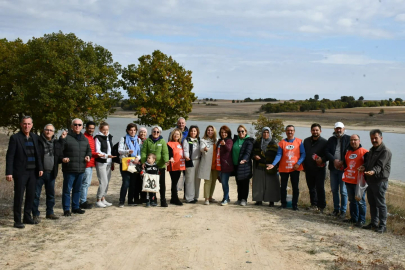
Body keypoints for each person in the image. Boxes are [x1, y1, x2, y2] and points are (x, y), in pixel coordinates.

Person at [6, 116, 44, 229]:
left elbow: (38, 155)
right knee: (19, 196)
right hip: (20, 173)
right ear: (21, 124)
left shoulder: (35, 137)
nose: (26, 126)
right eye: (24, 124)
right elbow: (10, 156)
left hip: (33, 172)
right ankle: (17, 221)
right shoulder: (15, 138)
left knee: (31, 196)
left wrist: (40, 168)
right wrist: (9, 172)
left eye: (28, 124)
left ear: (32, 125)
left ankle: (27, 217)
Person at [268, 125, 305, 211]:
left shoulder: (299, 142)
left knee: (295, 187)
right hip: (284, 169)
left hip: (295, 169)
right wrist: (273, 164)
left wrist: (298, 163)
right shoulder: (282, 143)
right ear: (286, 132)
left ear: (294, 131)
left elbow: (303, 154)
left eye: (291, 130)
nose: (290, 132)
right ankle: (283, 204)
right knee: (283, 187)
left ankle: (295, 205)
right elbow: (279, 155)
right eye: (288, 130)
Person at [361, 129, 392, 233]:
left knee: (380, 204)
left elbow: (379, 166)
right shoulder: (372, 150)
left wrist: (373, 172)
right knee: (372, 203)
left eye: (376, 138)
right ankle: (374, 223)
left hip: (379, 181)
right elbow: (368, 163)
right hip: (370, 180)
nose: (374, 140)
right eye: (372, 138)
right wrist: (363, 167)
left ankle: (383, 225)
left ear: (381, 138)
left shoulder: (385, 151)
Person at [60, 118, 92, 217]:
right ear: (71, 126)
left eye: (79, 125)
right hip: (69, 168)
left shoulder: (84, 138)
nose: (77, 126)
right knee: (67, 190)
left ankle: (75, 207)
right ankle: (66, 209)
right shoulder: (66, 137)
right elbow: (59, 150)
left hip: (81, 168)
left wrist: (88, 156)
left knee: (77, 189)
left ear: (82, 127)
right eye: (75, 124)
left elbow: (89, 151)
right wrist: (61, 139)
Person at [32, 124, 63, 222]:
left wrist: (63, 159)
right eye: (47, 130)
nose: (48, 132)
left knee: (50, 195)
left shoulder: (56, 143)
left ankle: (50, 213)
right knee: (36, 195)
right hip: (39, 173)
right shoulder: (38, 141)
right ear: (43, 131)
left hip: (51, 173)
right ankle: (35, 214)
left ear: (53, 132)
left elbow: (58, 157)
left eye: (51, 130)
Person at [342, 134, 369, 227]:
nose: (353, 142)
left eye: (355, 140)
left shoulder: (364, 152)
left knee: (360, 202)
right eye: (351, 140)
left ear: (359, 141)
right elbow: (345, 164)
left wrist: (364, 166)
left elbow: (368, 163)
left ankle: (361, 220)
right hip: (349, 180)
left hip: (359, 182)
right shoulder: (348, 152)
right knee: (352, 200)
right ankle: (354, 218)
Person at [325, 122, 350, 218]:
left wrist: (342, 162)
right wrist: (334, 160)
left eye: (340, 129)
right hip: (333, 168)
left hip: (343, 169)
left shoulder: (348, 139)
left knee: (343, 191)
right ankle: (336, 209)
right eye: (337, 129)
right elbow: (326, 151)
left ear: (344, 129)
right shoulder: (331, 139)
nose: (338, 130)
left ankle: (343, 211)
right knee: (334, 189)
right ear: (334, 129)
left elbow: (350, 151)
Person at [141, 126, 169, 207]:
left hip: (160, 166)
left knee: (162, 183)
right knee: (151, 182)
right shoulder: (147, 141)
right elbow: (143, 152)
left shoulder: (162, 141)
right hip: (150, 166)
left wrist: (166, 160)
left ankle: (163, 200)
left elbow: (165, 152)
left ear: (160, 133)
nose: (155, 133)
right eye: (154, 131)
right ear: (151, 132)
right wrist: (143, 162)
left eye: (157, 132)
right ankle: (153, 199)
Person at [251, 127, 280, 207]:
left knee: (271, 184)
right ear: (262, 133)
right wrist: (254, 156)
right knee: (258, 184)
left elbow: (278, 155)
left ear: (270, 133)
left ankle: (272, 201)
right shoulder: (257, 142)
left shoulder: (274, 143)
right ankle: (258, 200)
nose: (266, 134)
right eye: (264, 132)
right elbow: (252, 152)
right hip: (259, 166)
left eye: (267, 132)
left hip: (270, 167)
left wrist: (276, 166)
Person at [303, 123, 328, 213]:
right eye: (313, 130)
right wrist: (303, 165)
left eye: (317, 130)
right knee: (311, 188)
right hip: (309, 168)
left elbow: (328, 155)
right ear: (311, 131)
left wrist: (322, 159)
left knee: (320, 187)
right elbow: (303, 154)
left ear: (320, 131)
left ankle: (321, 206)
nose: (315, 132)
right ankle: (313, 204)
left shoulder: (325, 142)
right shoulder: (306, 141)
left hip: (320, 169)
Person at [118, 123, 142, 207]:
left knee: (133, 183)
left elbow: (139, 152)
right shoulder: (123, 139)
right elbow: (119, 150)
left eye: (134, 130)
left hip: (134, 163)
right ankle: (121, 201)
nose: (132, 132)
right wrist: (127, 151)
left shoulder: (138, 140)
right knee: (126, 182)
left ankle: (130, 200)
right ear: (127, 130)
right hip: (125, 163)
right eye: (131, 130)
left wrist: (138, 158)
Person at [94, 122, 116, 208]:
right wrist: (106, 156)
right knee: (103, 181)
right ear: (100, 129)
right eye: (104, 130)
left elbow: (111, 148)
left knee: (107, 181)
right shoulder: (98, 138)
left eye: (107, 130)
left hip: (109, 162)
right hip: (101, 162)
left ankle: (103, 198)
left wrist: (112, 160)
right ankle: (98, 199)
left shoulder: (109, 137)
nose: (105, 131)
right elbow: (97, 151)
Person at [232, 125, 254, 206]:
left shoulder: (249, 141)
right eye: (239, 131)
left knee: (245, 183)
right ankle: (239, 199)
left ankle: (244, 199)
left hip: (245, 165)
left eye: (242, 131)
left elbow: (248, 152)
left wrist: (244, 159)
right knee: (238, 183)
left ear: (245, 132)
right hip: (236, 164)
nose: (241, 133)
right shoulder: (235, 140)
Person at [79, 121, 99, 209]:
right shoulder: (83, 137)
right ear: (86, 128)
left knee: (86, 183)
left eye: (93, 128)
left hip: (91, 164)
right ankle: (82, 202)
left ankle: (83, 200)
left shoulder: (91, 137)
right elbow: (87, 151)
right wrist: (98, 154)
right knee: (85, 183)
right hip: (86, 164)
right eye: (89, 128)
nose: (91, 130)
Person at [197, 125, 219, 205]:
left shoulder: (217, 140)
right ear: (206, 131)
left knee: (213, 181)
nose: (210, 132)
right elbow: (201, 148)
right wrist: (204, 149)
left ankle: (210, 197)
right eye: (208, 130)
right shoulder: (203, 140)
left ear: (214, 131)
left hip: (215, 164)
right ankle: (206, 198)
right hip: (207, 164)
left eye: (211, 130)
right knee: (207, 181)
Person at [167, 128, 186, 205]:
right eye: (175, 134)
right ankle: (175, 198)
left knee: (176, 182)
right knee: (174, 183)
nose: (176, 135)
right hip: (173, 166)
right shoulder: (169, 143)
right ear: (172, 135)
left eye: (178, 134)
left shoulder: (180, 144)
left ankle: (172, 198)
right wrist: (170, 158)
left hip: (180, 165)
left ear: (180, 135)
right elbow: (169, 154)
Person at [183, 125, 202, 203]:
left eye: (194, 131)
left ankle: (195, 196)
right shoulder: (186, 140)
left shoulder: (199, 140)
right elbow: (185, 150)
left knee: (197, 179)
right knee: (189, 180)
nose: (193, 132)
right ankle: (189, 198)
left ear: (197, 132)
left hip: (199, 161)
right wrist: (186, 157)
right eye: (191, 131)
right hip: (190, 161)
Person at [217, 125, 234, 206]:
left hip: (226, 165)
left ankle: (225, 199)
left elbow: (229, 149)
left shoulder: (229, 141)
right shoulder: (219, 141)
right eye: (222, 132)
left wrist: (224, 144)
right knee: (222, 182)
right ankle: (227, 197)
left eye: (225, 132)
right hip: (219, 165)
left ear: (228, 133)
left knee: (224, 182)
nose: (223, 134)